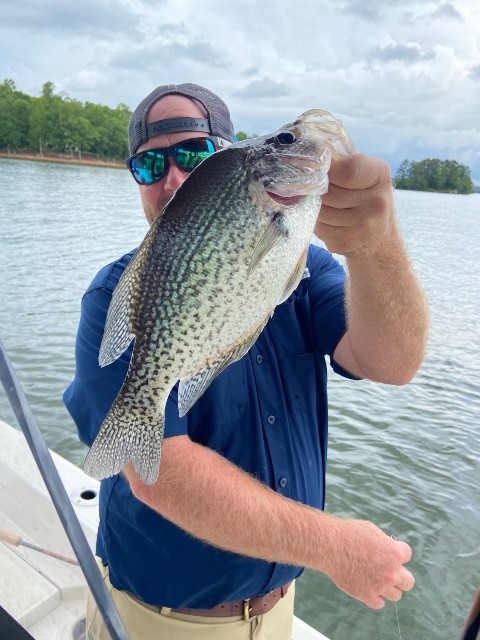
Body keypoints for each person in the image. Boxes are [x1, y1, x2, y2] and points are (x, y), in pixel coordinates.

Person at [64, 83, 429, 640]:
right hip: (160, 622)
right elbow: (158, 476)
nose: (173, 179)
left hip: (278, 612)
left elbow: (393, 362)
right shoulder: (113, 295)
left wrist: (373, 246)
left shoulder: (303, 267)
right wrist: (334, 546)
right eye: (148, 166)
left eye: (191, 154)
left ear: (229, 156)